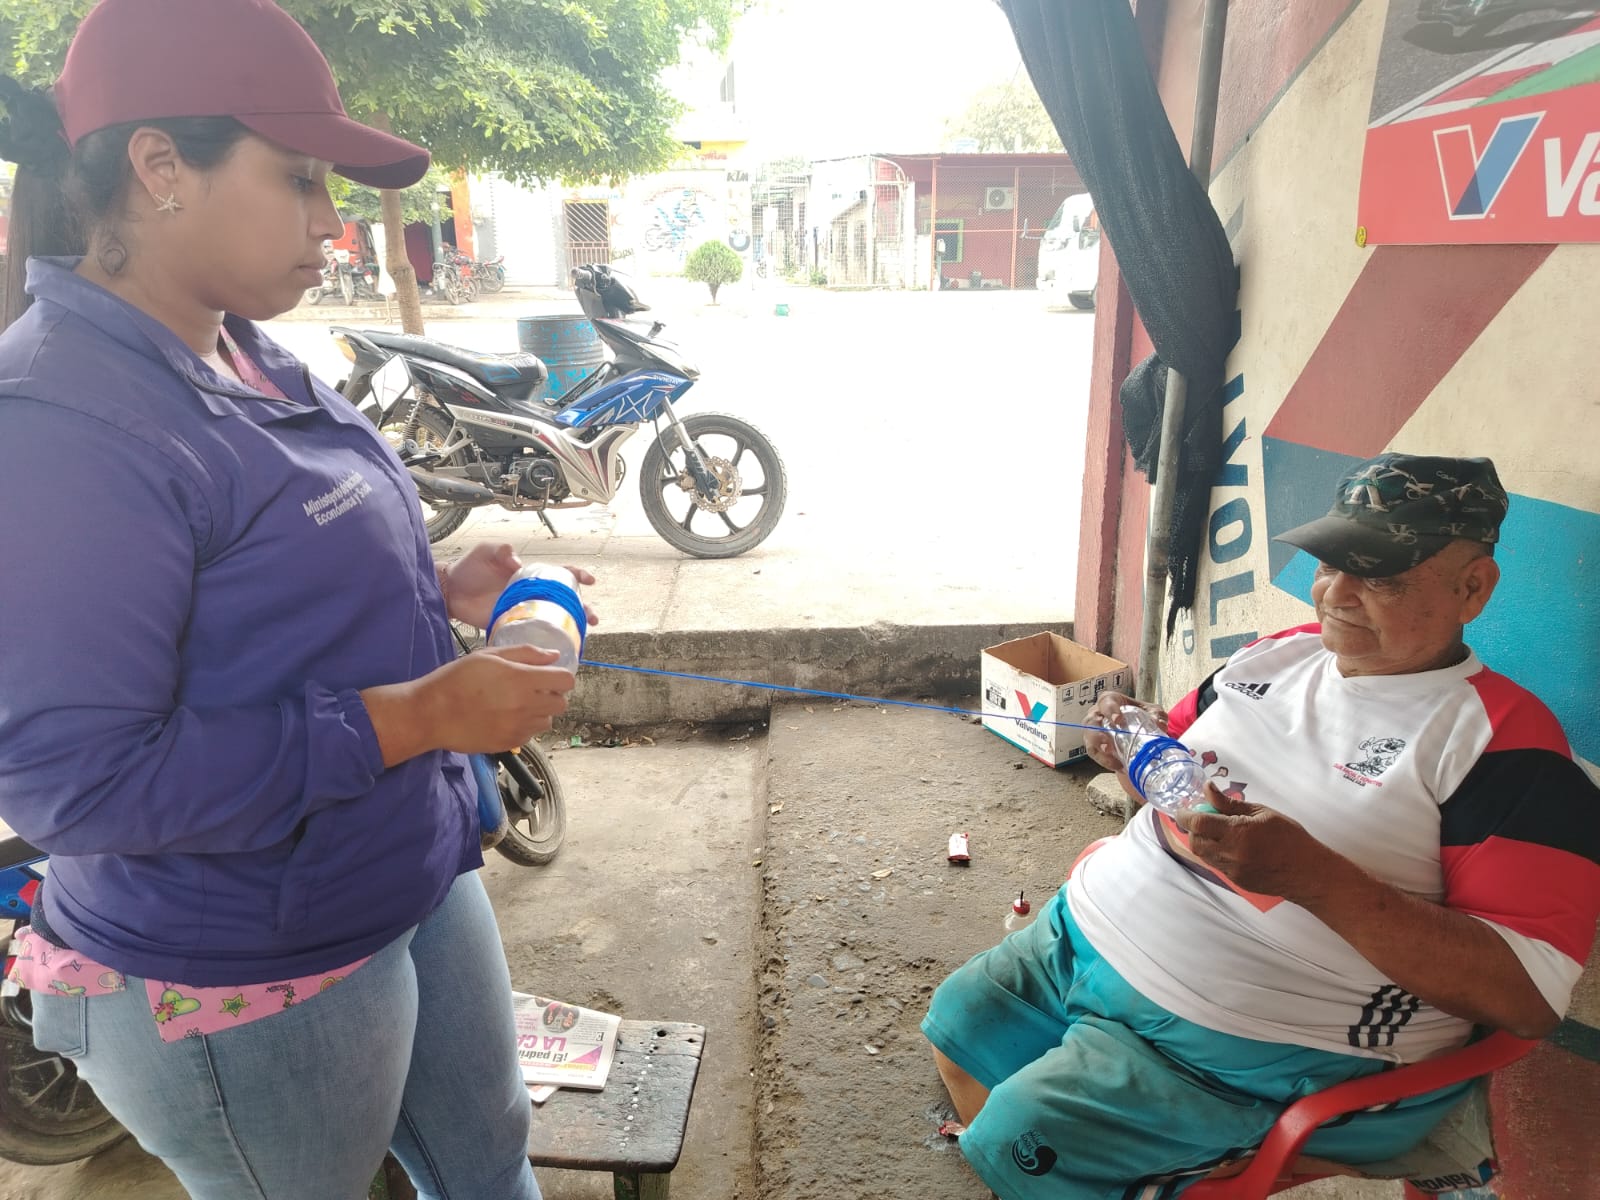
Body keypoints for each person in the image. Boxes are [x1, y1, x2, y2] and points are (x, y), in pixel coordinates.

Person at [0, 2, 586, 1196]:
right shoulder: (62, 428)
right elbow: (78, 783)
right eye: (300, 179)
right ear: (161, 166)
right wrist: (421, 715)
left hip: (403, 868)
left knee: (488, 1166)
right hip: (244, 963)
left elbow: (245, 591)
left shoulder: (246, 349)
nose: (333, 224)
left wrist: (428, 589)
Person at [923, 453, 1600, 1200]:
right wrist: (1130, 747)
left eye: (1381, 577)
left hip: (1253, 1045)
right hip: (1084, 938)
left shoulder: (1505, 747)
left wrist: (1318, 881)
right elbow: (1174, 773)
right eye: (1330, 564)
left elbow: (1525, 997)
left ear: (1472, 588)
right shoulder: (1277, 655)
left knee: (1023, 1136)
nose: (1334, 594)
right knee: (959, 1025)